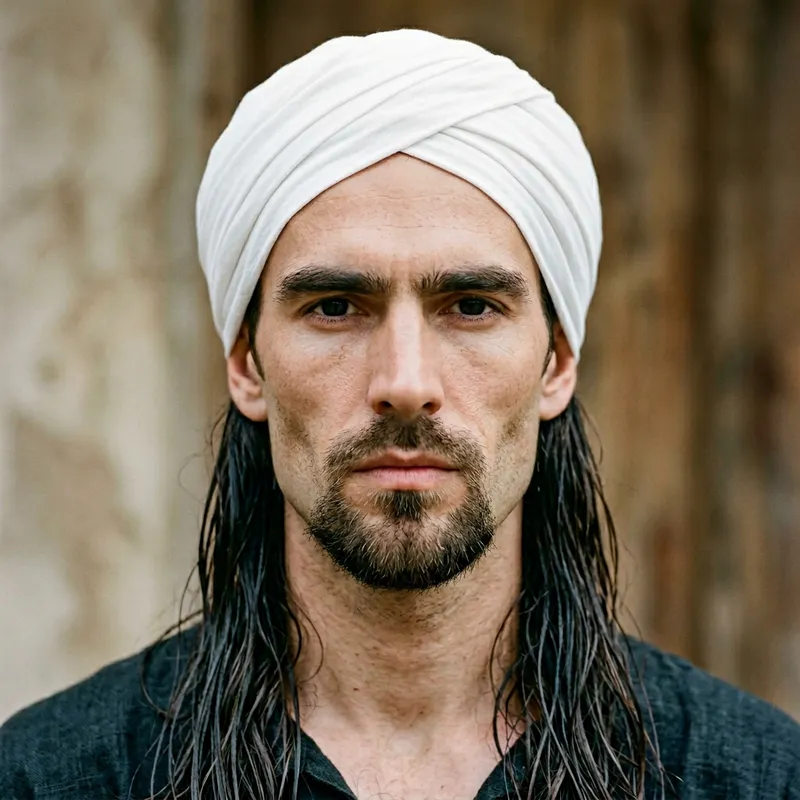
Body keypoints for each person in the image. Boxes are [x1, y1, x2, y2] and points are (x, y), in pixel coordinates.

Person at [1, 28, 798, 800]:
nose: (406, 382)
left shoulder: (757, 779)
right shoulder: (50, 777)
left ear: (556, 362)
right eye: (337, 305)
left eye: (473, 305)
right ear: (247, 364)